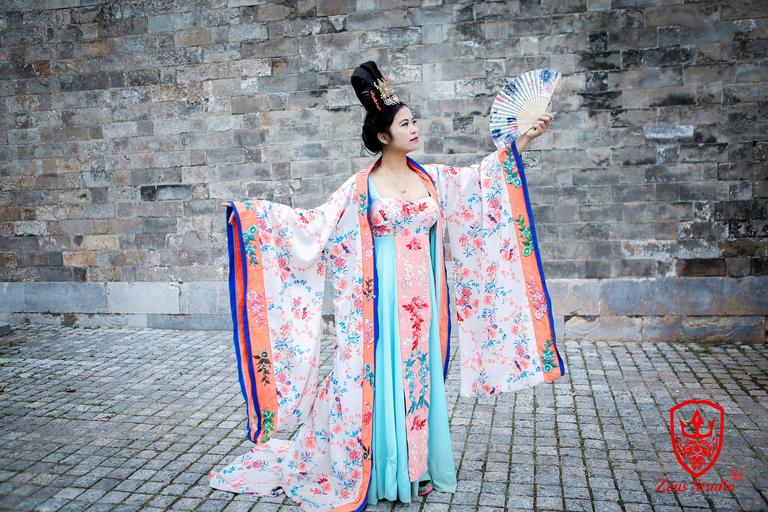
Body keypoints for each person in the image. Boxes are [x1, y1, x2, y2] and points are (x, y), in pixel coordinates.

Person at [210, 61, 564, 512]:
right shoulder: (361, 187)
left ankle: (413, 469)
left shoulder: (431, 178)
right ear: (383, 136)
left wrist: (524, 138)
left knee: (415, 378)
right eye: (405, 124)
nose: (415, 129)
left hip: (422, 303)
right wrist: (253, 216)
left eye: (414, 121)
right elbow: (314, 224)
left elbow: (481, 180)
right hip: (379, 306)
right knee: (380, 380)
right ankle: (380, 471)